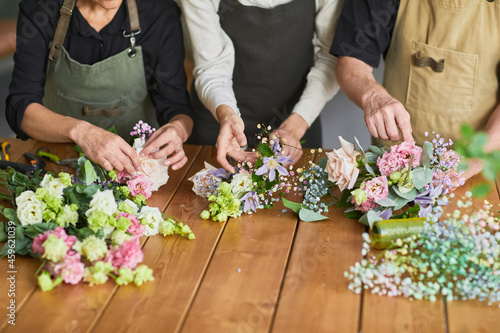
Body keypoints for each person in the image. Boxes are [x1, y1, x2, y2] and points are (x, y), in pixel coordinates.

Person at [6, 0, 194, 174]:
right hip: (52, 161)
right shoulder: (41, 8)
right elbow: (21, 108)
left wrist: (177, 128)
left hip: (134, 168)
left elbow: (177, 109)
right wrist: (82, 132)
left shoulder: (159, 13)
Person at [330, 0, 500, 179]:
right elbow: (350, 61)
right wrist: (372, 95)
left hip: (483, 163)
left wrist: (477, 156)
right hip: (394, 162)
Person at [179, 0, 342, 172]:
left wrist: (294, 127)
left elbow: (330, 60)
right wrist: (227, 114)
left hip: (298, 118)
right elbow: (211, 67)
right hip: (218, 121)